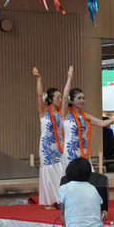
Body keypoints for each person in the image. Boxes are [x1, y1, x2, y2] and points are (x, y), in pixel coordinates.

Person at [60, 66, 114, 174]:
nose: (82, 101)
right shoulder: (66, 114)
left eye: (83, 98)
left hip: (84, 154)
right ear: (72, 101)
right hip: (70, 154)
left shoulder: (86, 116)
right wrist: (69, 79)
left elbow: (102, 123)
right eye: (79, 98)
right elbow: (65, 97)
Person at [48, 157, 114, 227]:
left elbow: (63, 214)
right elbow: (99, 213)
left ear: (69, 172)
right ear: (88, 174)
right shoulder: (93, 188)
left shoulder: (64, 188)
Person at [32, 67, 64, 210]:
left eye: (60, 97)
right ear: (50, 99)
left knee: (60, 171)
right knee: (49, 171)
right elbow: (40, 96)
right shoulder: (44, 111)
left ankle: (59, 199)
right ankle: (50, 201)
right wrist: (39, 79)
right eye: (57, 97)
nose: (59, 99)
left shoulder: (63, 113)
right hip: (46, 146)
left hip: (59, 145)